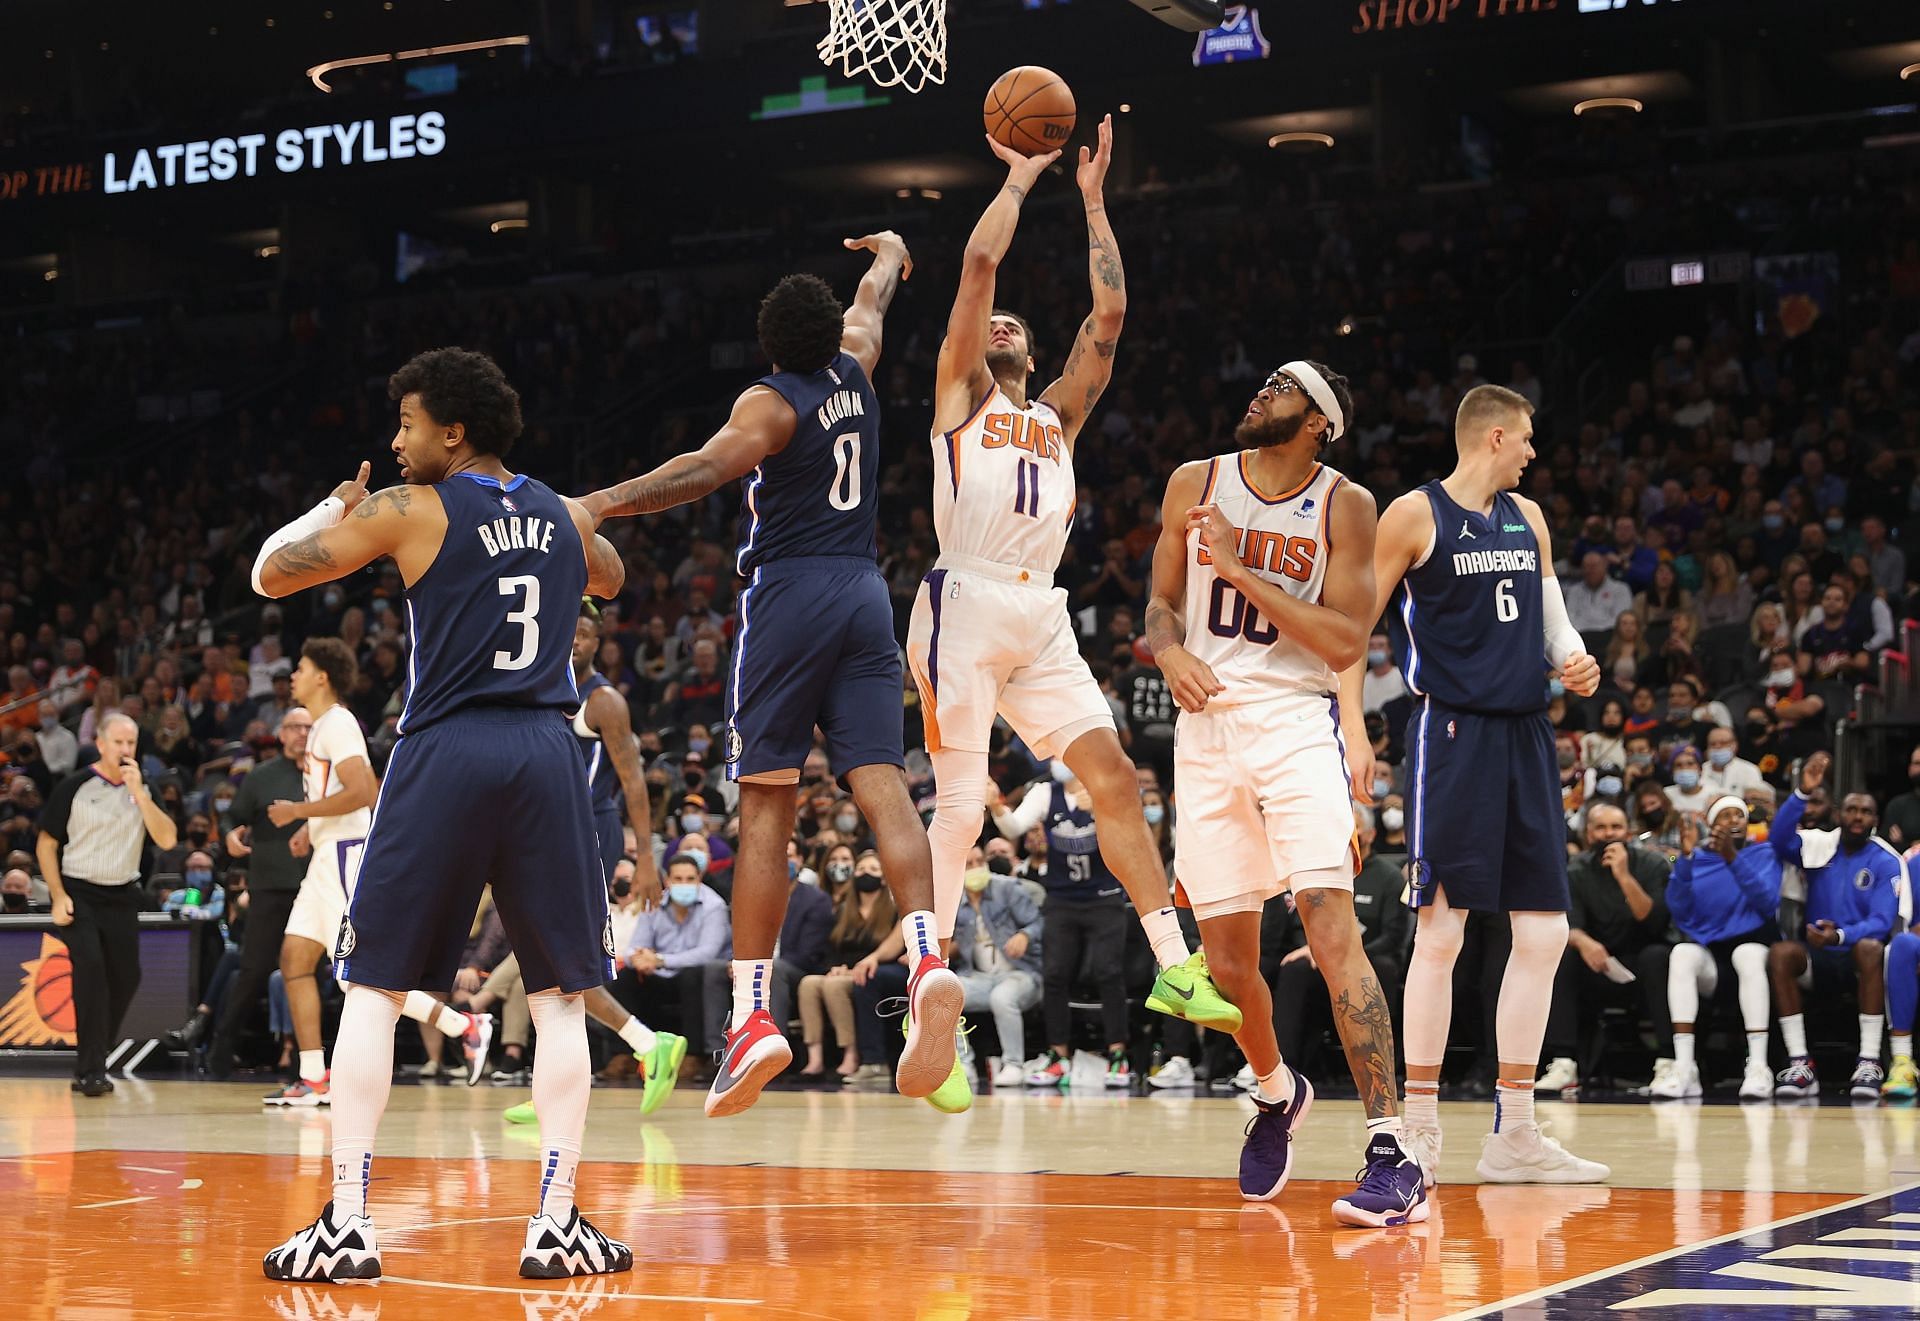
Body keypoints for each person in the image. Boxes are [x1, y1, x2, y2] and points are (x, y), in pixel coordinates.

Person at [254, 346, 632, 1281]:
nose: (396, 440)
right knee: (557, 998)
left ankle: (347, 1223)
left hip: (448, 748)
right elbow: (612, 575)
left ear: (451, 432)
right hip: (547, 752)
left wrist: (333, 511)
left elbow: (270, 576)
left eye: (408, 424)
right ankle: (557, 1221)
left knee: (375, 987)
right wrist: (568, 519)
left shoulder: (408, 507)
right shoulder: (557, 508)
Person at [578, 231, 965, 1119]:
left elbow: (702, 471)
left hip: (790, 597)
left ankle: (752, 1018)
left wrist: (600, 500)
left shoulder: (771, 402)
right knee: (886, 786)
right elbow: (873, 305)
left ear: (768, 346)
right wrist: (893, 254)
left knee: (766, 803)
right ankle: (929, 957)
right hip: (868, 593)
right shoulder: (857, 367)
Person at [907, 115, 1232, 1112]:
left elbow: (1111, 317)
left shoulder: (1054, 417)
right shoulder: (961, 398)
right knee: (962, 793)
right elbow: (973, 270)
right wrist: (1018, 179)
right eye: (994, 328)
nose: (1002, 329)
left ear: (1033, 353)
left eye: (1016, 330)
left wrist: (1092, 200)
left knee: (1118, 778)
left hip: (1040, 613)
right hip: (961, 592)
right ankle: (929, 976)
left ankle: (1174, 960)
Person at [1146, 358, 1421, 1227]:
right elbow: (1159, 603)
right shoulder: (1194, 481)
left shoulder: (1345, 504)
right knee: (1227, 962)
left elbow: (1344, 641)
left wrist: (1235, 568)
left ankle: (1393, 1147)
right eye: (1264, 383)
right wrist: (1168, 650)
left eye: (1283, 389)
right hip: (1206, 730)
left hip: (1298, 724)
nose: (1262, 393)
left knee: (1328, 927)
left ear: (1319, 422)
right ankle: (1276, 1089)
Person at [1357, 383, 1610, 1189]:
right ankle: (1421, 1125)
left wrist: (1575, 660)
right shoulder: (1414, 514)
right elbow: (1347, 622)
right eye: (1527, 439)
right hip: (1453, 734)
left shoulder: (1527, 518)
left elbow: (1551, 621)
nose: (1534, 452)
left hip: (1530, 732)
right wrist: (1351, 726)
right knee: (1442, 931)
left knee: (1540, 936)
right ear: (1494, 436)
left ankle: (1517, 1131)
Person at [35, 713, 179, 1096]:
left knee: (127, 977)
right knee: (92, 969)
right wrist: (58, 894)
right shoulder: (75, 786)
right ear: (100, 744)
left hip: (121, 893)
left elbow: (167, 840)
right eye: (118, 742)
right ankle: (91, 1068)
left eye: (130, 743)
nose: (125, 750)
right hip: (78, 891)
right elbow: (46, 844)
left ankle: (94, 1053)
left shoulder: (143, 787)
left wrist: (141, 794)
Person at [1766, 752, 1907, 1100]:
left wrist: (1840, 934)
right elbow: (1778, 840)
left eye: (1866, 812)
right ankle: (1800, 1063)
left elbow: (1880, 923)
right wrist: (1800, 794)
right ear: (1839, 814)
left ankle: (1869, 1061)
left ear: (1876, 818)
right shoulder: (1819, 844)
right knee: (1781, 953)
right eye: (1851, 810)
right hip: (1816, 954)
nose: (1858, 817)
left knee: (1871, 947)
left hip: (1862, 963)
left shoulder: (1886, 859)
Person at [196, 708, 313, 1078]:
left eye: (309, 727)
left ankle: (307, 1061)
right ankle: (220, 1050)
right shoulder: (262, 777)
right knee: (253, 971)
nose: (302, 734)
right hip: (269, 885)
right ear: (282, 734)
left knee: (309, 973)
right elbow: (233, 817)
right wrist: (230, 835)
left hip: (314, 888)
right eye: (295, 727)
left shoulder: (324, 776)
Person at [1650, 797, 1782, 1101]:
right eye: (1724, 816)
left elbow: (1767, 903)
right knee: (1681, 954)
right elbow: (1681, 912)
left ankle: (1758, 1066)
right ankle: (1685, 1068)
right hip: (1715, 961)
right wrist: (1684, 857)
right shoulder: (1695, 860)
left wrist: (1732, 857)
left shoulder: (1764, 853)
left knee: (1746, 954)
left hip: (1757, 958)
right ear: (1710, 825)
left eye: (1739, 815)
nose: (1733, 820)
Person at [1538, 805, 1670, 1094]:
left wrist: (1623, 876)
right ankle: (1564, 1063)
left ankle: (1667, 1062)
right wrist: (1583, 941)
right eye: (1601, 827)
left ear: (1629, 832)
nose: (1609, 834)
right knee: (1564, 955)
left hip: (1644, 966)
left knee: (1658, 956)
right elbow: (1568, 925)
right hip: (1597, 965)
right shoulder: (1576, 870)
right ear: (1588, 833)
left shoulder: (1652, 864)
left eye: (1616, 827)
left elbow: (1653, 921)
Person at [950, 853, 1044, 1087]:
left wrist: (1025, 935)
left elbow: (1041, 922)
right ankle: (963, 1064)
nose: (975, 868)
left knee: (1001, 997)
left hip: (1021, 973)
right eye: (968, 864)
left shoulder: (1008, 889)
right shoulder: (953, 900)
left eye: (979, 862)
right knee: (946, 993)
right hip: (979, 976)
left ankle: (1014, 1064)